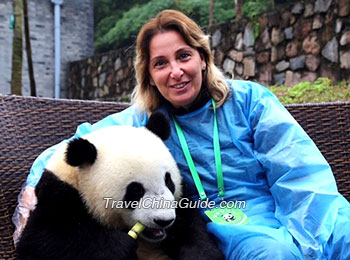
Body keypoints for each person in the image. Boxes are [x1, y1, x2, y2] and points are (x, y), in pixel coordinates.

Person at [13, 9, 350, 260]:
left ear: (203, 58)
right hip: (224, 228)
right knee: (272, 254)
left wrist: (311, 237)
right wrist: (31, 190)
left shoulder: (251, 101)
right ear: (150, 74)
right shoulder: (142, 124)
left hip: (275, 208)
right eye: (160, 63)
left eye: (184, 56)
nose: (175, 71)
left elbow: (300, 170)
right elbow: (77, 145)